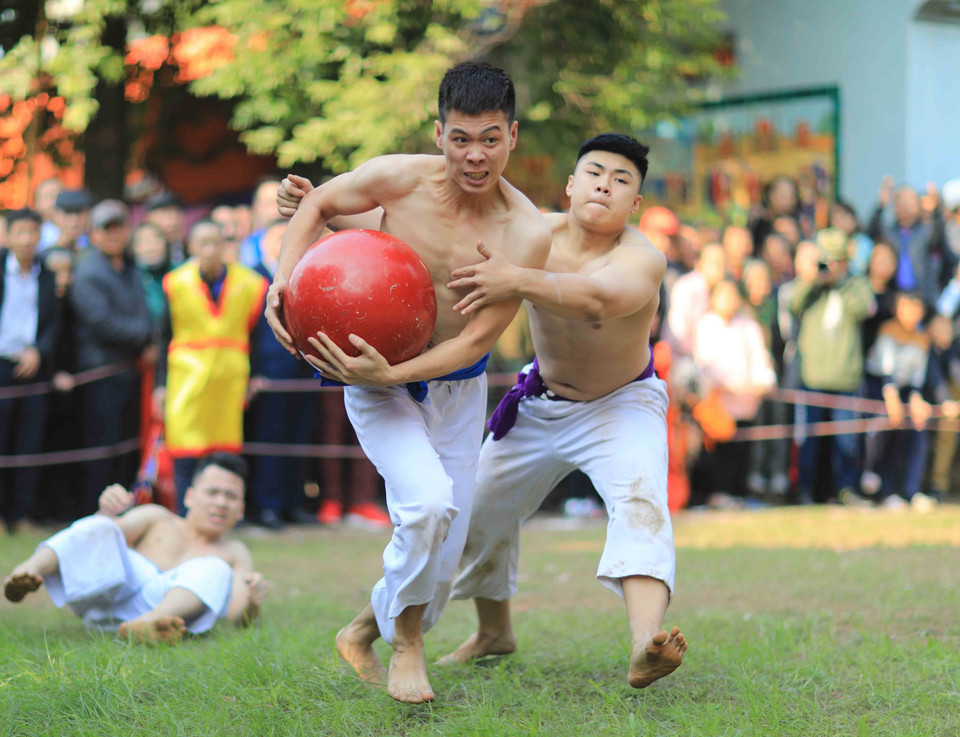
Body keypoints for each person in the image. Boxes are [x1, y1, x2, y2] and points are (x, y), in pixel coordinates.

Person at [267, 62, 551, 704]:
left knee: (443, 556)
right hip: (374, 378)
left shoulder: (526, 232)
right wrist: (282, 281)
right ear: (439, 133)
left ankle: (361, 631)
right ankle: (407, 645)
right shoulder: (398, 178)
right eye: (460, 139)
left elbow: (476, 341)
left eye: (490, 139)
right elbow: (318, 203)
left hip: (455, 385)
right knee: (425, 507)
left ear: (512, 136)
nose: (475, 156)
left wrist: (393, 371)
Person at [3, 453, 266, 642]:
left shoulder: (235, 552)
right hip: (109, 593)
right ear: (190, 496)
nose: (221, 503)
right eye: (212, 492)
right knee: (102, 525)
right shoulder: (158, 516)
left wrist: (252, 603)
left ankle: (152, 622)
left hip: (166, 613)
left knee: (216, 567)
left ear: (241, 509)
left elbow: (237, 615)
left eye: (231, 496)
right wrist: (106, 511)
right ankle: (31, 568)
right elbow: (104, 536)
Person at [155, 219, 268, 513]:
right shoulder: (176, 282)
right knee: (184, 449)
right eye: (202, 243)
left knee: (225, 452)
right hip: (186, 379)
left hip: (229, 379)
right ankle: (184, 514)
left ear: (224, 246)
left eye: (215, 243)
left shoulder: (249, 283)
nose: (209, 250)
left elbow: (256, 335)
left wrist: (254, 374)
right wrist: (160, 384)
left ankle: (224, 512)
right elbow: (163, 337)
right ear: (191, 246)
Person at [71, 200, 154, 516]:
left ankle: (120, 510)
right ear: (93, 234)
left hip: (129, 371)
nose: (114, 234)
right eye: (107, 229)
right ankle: (94, 511)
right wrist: (147, 336)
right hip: (101, 372)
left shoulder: (130, 268)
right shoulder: (89, 271)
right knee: (101, 447)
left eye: (119, 227)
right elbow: (102, 323)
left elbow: (141, 311)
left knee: (124, 446)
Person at [790, 228, 875, 505]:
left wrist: (841, 281)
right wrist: (813, 279)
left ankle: (845, 489)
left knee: (846, 440)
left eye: (835, 260)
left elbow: (862, 308)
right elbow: (793, 304)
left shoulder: (856, 283)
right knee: (811, 440)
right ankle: (806, 490)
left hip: (845, 377)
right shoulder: (812, 285)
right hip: (813, 376)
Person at [0, 209, 60, 531]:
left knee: (29, 443)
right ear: (8, 235)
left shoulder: (47, 275)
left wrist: (38, 351)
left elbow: (53, 322)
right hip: (1, 364)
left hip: (34, 367)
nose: (25, 240)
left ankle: (21, 514)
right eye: (19, 232)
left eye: (31, 232)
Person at [693, 278, 776, 504]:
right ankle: (719, 494)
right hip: (719, 402)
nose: (729, 301)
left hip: (746, 401)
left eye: (733, 295)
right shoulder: (706, 325)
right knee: (721, 450)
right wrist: (727, 383)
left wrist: (764, 381)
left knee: (744, 448)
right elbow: (704, 364)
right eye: (723, 295)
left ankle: (740, 493)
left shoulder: (749, 326)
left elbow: (760, 358)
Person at [867, 176, 951, 307]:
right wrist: (881, 206)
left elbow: (939, 239)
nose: (906, 207)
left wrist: (936, 211)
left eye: (910, 202)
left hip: (923, 297)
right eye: (902, 202)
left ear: (918, 206)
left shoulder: (926, 230)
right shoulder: (890, 232)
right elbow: (872, 234)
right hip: (895, 297)